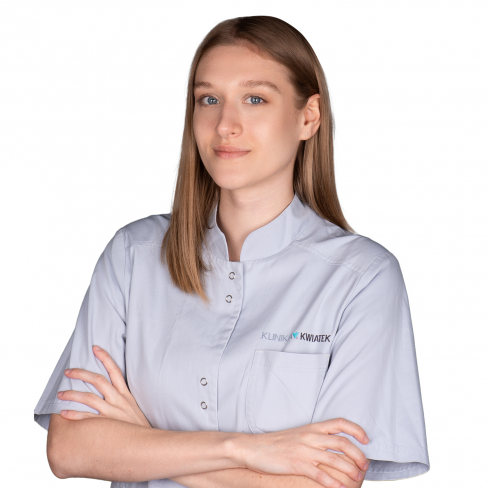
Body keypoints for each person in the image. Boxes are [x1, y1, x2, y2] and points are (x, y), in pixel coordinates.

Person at [34, 15, 430, 488]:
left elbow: (321, 482)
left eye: (255, 99)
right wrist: (246, 451)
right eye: (209, 99)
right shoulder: (132, 257)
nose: (225, 125)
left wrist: (145, 441)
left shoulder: (362, 278)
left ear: (309, 117)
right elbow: (69, 449)